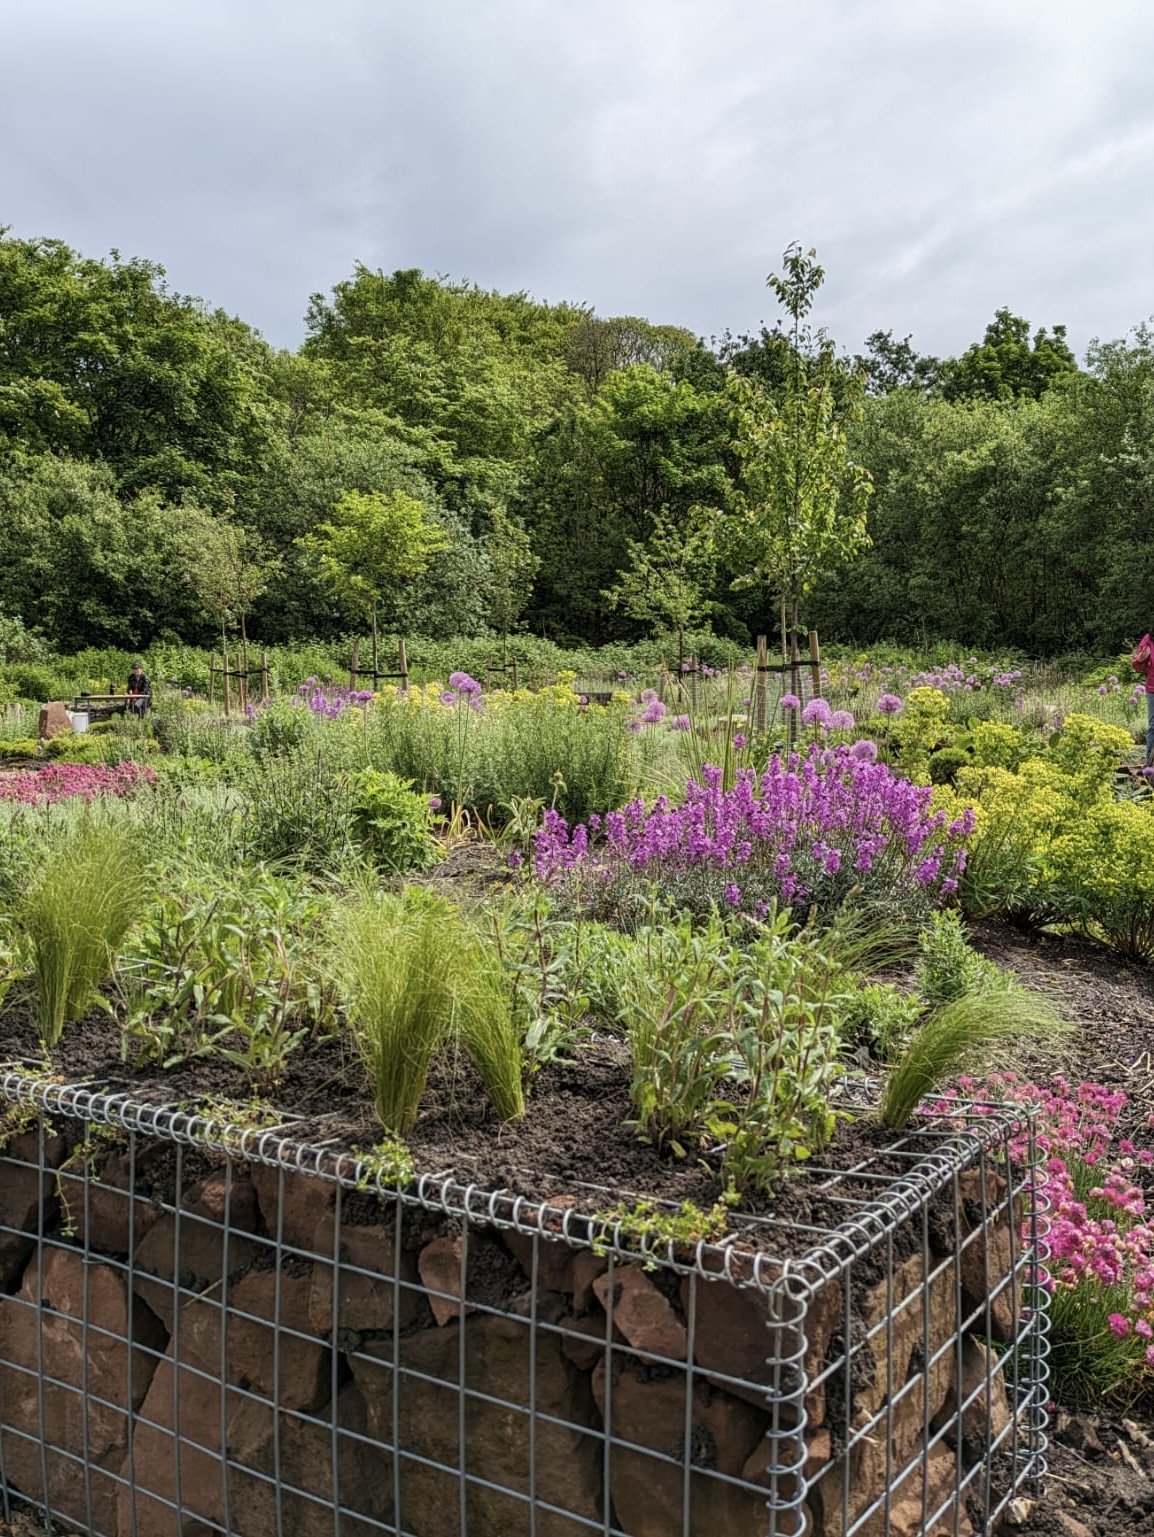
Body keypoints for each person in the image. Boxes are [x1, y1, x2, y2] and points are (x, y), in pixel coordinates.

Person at [1132, 632, 1154, 764]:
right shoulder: (1149, 639)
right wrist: (1140, 659)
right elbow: (1136, 665)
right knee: (1153, 726)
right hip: (1153, 688)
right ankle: (1149, 766)